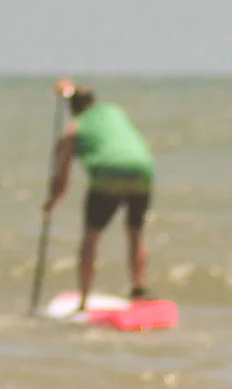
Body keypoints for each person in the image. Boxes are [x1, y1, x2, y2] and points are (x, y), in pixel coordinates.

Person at [42, 80, 155, 310]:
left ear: (72, 109)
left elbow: (62, 182)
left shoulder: (74, 129)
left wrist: (52, 201)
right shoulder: (115, 111)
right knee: (135, 233)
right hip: (142, 170)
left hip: (107, 175)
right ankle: (139, 288)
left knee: (91, 237)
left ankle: (84, 299)